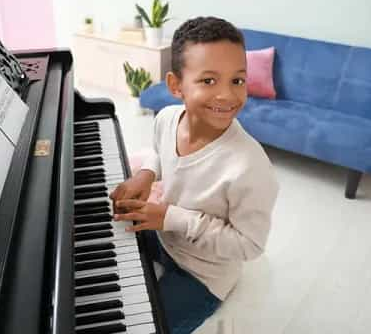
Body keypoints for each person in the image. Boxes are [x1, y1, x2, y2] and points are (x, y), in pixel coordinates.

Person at [110, 16, 279, 334]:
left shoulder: (250, 168)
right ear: (176, 86)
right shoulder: (168, 117)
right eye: (209, 81)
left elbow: (250, 246)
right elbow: (160, 153)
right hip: (165, 239)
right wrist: (146, 174)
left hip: (203, 276)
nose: (227, 95)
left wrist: (171, 218)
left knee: (144, 326)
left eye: (237, 81)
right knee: (106, 229)